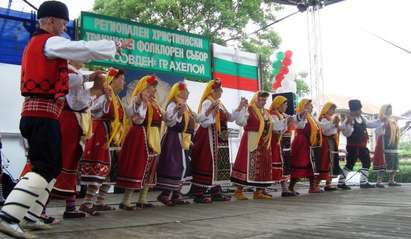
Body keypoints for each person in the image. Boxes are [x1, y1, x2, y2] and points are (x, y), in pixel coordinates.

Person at [0, 1, 131, 238]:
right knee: (45, 166)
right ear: (50, 21)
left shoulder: (38, 46)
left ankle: (30, 215)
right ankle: (8, 217)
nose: (64, 27)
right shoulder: (50, 42)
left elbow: (62, 80)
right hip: (41, 114)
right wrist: (115, 45)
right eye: (62, 22)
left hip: (39, 113)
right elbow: (81, 48)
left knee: (52, 166)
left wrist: (88, 76)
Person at [52, 61, 102, 218]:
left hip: (75, 121)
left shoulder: (78, 74)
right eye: (82, 56)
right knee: (62, 161)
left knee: (72, 161)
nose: (85, 60)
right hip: (68, 120)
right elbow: (77, 101)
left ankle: (70, 206)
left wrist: (96, 89)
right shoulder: (68, 72)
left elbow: (86, 99)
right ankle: (40, 209)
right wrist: (92, 79)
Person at [191, 79, 247, 203]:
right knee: (208, 162)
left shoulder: (220, 103)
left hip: (221, 135)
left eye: (220, 90)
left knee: (220, 162)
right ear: (213, 91)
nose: (221, 92)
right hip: (209, 135)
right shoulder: (207, 102)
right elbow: (201, 120)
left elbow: (229, 118)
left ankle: (216, 191)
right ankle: (199, 193)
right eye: (218, 90)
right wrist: (211, 110)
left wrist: (240, 107)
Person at [79, 68, 126, 214]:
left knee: (110, 169)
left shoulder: (116, 98)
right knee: (100, 167)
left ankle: (99, 202)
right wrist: (106, 98)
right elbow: (93, 110)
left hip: (112, 136)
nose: (123, 82)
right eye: (122, 79)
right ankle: (87, 202)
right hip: (100, 133)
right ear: (114, 80)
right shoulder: (104, 95)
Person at [116, 75, 162, 209]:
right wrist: (141, 102)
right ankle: (126, 200)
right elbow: (137, 119)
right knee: (137, 166)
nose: (153, 90)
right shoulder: (136, 100)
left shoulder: (154, 103)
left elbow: (164, 117)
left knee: (150, 165)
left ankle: (143, 199)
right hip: (140, 134)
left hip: (152, 136)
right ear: (144, 88)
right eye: (151, 87)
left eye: (154, 87)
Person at [157, 82, 195, 206]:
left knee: (184, 166)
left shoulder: (185, 106)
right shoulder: (173, 104)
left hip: (183, 138)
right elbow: (170, 122)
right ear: (179, 92)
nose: (188, 93)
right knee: (175, 166)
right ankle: (165, 194)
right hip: (174, 138)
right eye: (186, 91)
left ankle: (176, 194)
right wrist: (178, 112)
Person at [231, 91, 275, 200]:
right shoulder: (250, 109)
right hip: (251, 139)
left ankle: (258, 192)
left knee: (262, 166)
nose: (263, 102)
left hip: (263, 142)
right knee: (246, 164)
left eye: (264, 100)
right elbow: (240, 122)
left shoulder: (266, 112)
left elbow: (272, 126)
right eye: (260, 99)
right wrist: (244, 109)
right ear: (255, 99)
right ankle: (238, 191)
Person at [339, 99, 383, 189]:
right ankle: (341, 182)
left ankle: (363, 182)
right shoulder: (348, 119)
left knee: (366, 161)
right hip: (352, 146)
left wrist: (380, 120)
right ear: (354, 111)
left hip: (362, 145)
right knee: (350, 163)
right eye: (359, 109)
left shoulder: (362, 118)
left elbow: (370, 124)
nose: (361, 111)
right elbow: (346, 133)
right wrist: (349, 124)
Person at [289, 99, 322, 194]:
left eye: (311, 106)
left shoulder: (312, 118)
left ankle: (312, 187)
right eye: (309, 105)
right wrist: (303, 116)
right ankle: (291, 187)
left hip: (310, 144)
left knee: (311, 165)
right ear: (304, 106)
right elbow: (299, 126)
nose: (312, 107)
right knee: (299, 164)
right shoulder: (299, 116)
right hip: (301, 143)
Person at [269, 96, 296, 197]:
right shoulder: (273, 115)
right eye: (285, 104)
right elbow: (276, 129)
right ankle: (284, 188)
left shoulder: (283, 115)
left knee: (286, 164)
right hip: (278, 143)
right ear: (279, 105)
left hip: (286, 143)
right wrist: (286, 122)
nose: (286, 106)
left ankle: (286, 188)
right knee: (281, 164)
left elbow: (294, 123)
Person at [373, 104, 401, 188]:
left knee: (394, 161)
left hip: (393, 144)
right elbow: (377, 131)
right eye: (388, 109)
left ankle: (391, 180)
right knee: (383, 162)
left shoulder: (393, 120)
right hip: (384, 143)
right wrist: (383, 125)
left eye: (391, 108)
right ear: (384, 110)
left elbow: (397, 133)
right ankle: (379, 181)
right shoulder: (381, 119)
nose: (390, 110)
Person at [318, 102, 339, 191]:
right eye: (331, 109)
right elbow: (324, 130)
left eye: (334, 109)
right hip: (327, 141)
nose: (333, 111)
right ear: (326, 109)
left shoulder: (331, 118)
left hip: (332, 141)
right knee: (326, 161)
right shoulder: (323, 118)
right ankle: (317, 184)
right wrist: (333, 123)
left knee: (332, 161)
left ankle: (328, 183)